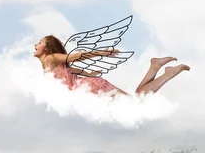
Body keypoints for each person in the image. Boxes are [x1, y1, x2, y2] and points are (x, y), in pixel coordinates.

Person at [34, 35, 190, 97]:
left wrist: (101, 53)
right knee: (135, 101)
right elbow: (71, 71)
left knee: (137, 102)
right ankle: (154, 66)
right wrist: (91, 73)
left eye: (39, 43)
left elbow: (75, 56)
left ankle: (168, 73)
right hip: (91, 87)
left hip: (93, 89)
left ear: (47, 48)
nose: (36, 44)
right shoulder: (49, 65)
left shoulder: (51, 58)